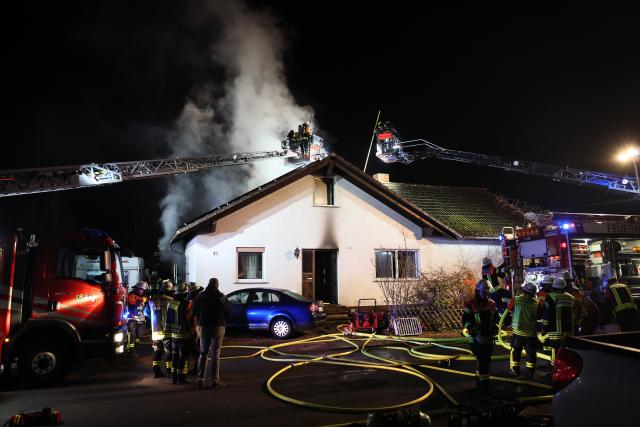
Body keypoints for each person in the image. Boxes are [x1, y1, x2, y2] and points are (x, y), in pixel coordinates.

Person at [191, 277, 232, 390]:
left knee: (203, 353)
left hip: (203, 327)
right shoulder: (222, 297)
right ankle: (215, 380)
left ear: (208, 284)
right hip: (218, 327)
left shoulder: (199, 297)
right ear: (217, 285)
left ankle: (200, 380)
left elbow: (192, 312)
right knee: (215, 354)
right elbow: (229, 313)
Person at [462, 279, 499, 390]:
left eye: (488, 292)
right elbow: (465, 320)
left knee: (486, 360)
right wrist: (471, 328)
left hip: (488, 337)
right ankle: (485, 385)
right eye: (485, 292)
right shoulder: (471, 304)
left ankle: (479, 379)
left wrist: (495, 327)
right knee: (483, 360)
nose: (487, 294)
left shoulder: (492, 304)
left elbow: (496, 319)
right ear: (478, 292)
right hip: (475, 338)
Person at [506, 282, 539, 378]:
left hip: (518, 333)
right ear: (533, 294)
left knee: (516, 351)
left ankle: (515, 370)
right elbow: (539, 315)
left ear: (524, 291)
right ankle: (530, 372)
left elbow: (509, 309)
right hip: (531, 334)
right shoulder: (536, 303)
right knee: (531, 353)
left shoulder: (516, 300)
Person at [165, 282, 195, 385]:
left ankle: (174, 378)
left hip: (174, 335)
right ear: (184, 293)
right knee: (183, 357)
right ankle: (181, 378)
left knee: (175, 356)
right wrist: (193, 330)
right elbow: (190, 318)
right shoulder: (187, 303)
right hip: (185, 334)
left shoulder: (170, 303)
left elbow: (168, 319)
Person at [540, 277, 575, 363]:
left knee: (555, 352)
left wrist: (544, 327)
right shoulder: (571, 297)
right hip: (569, 331)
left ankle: (554, 370)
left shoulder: (551, 297)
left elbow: (547, 314)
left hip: (555, 331)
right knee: (565, 351)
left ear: (553, 286)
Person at [148, 279, 174, 378]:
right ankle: (169, 372)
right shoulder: (171, 301)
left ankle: (156, 371)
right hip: (167, 331)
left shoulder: (152, 300)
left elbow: (147, 313)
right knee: (168, 351)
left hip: (156, 331)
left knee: (157, 351)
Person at [126, 281, 149, 357]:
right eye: (142, 290)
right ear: (137, 289)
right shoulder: (131, 295)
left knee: (140, 334)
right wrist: (144, 299)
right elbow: (137, 301)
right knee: (132, 333)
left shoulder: (141, 296)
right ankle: (131, 349)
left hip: (140, 319)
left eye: (144, 291)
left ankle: (134, 346)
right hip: (132, 319)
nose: (143, 292)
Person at [187, 282, 204, 375]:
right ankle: (198, 368)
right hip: (202, 326)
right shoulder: (201, 298)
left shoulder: (195, 301)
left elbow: (192, 315)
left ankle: (196, 369)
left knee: (195, 349)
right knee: (199, 348)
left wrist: (192, 328)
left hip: (196, 327)